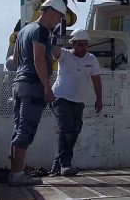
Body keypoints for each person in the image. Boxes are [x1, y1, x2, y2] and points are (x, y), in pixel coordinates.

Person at [8, 0, 67, 186]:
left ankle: (14, 172)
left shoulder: (24, 31)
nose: (58, 22)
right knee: (26, 130)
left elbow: (16, 60)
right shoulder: (41, 31)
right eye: (58, 17)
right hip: (33, 85)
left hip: (20, 84)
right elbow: (39, 60)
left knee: (19, 128)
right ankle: (17, 175)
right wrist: (47, 87)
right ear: (50, 12)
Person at [49, 29, 103, 177]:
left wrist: (99, 98)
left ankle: (57, 164)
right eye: (80, 44)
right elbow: (52, 49)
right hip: (60, 98)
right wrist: (53, 35)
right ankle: (65, 165)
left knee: (75, 131)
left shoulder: (91, 59)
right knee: (65, 130)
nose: (83, 48)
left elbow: (96, 79)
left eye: (86, 45)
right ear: (73, 44)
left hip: (78, 101)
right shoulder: (64, 54)